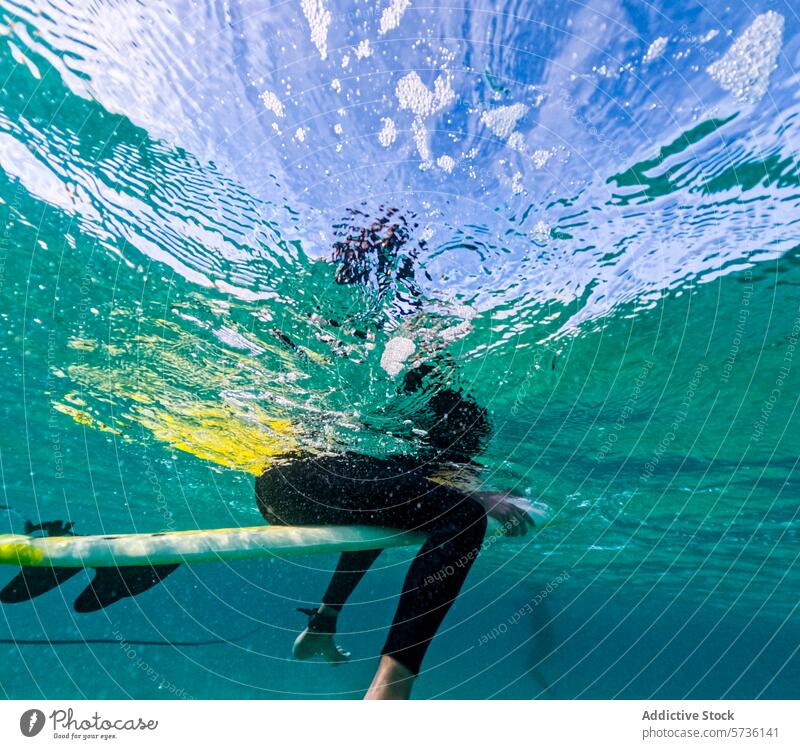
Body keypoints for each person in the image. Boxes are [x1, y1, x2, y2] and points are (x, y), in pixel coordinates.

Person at [255, 209, 535, 699]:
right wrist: (478, 494)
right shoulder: (449, 406)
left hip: (289, 485)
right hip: (306, 478)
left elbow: (403, 482)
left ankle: (323, 625)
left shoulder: (407, 388)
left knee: (401, 509)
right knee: (461, 519)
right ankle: (388, 693)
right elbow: (432, 479)